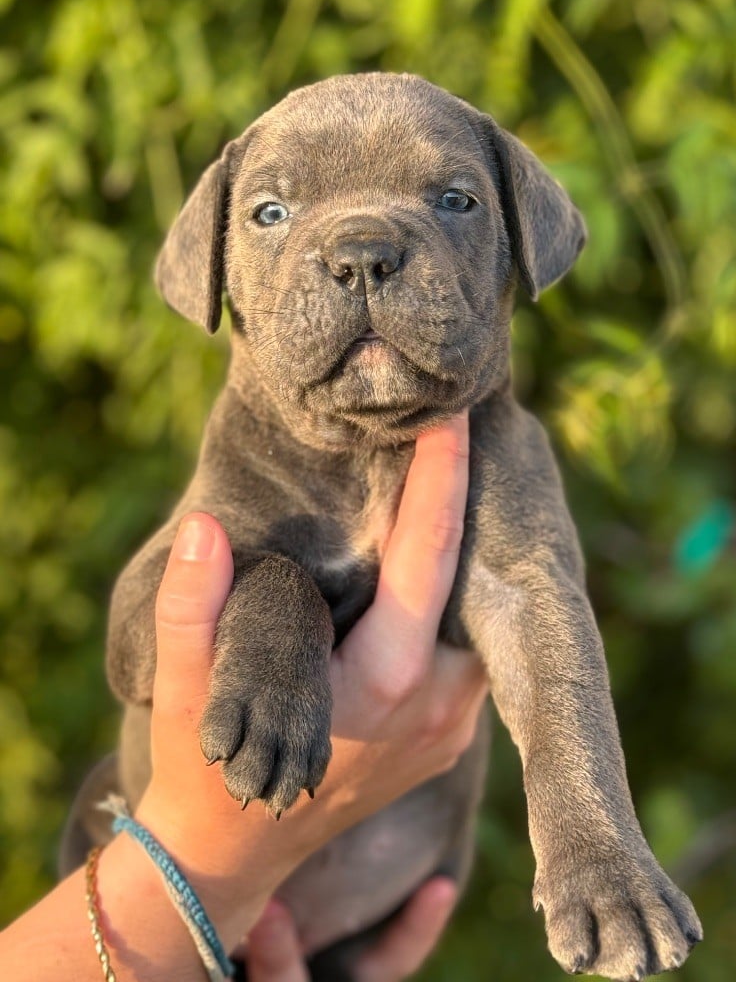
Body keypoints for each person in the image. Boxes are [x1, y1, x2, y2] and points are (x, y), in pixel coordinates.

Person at [0, 411, 488, 981]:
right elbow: (131, 653)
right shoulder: (250, 454)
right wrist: (207, 857)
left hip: (354, 933)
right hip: (164, 912)